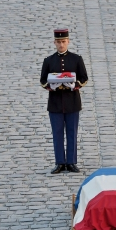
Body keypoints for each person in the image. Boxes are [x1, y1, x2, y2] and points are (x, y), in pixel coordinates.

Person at [40, 29, 89, 174]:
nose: (61, 45)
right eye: (58, 42)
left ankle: (72, 162)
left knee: (72, 132)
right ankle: (60, 162)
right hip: (55, 102)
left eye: (63, 42)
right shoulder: (49, 60)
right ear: (54, 42)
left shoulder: (76, 59)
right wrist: (51, 86)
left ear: (68, 41)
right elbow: (43, 80)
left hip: (72, 101)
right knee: (57, 133)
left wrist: (75, 84)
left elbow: (84, 78)